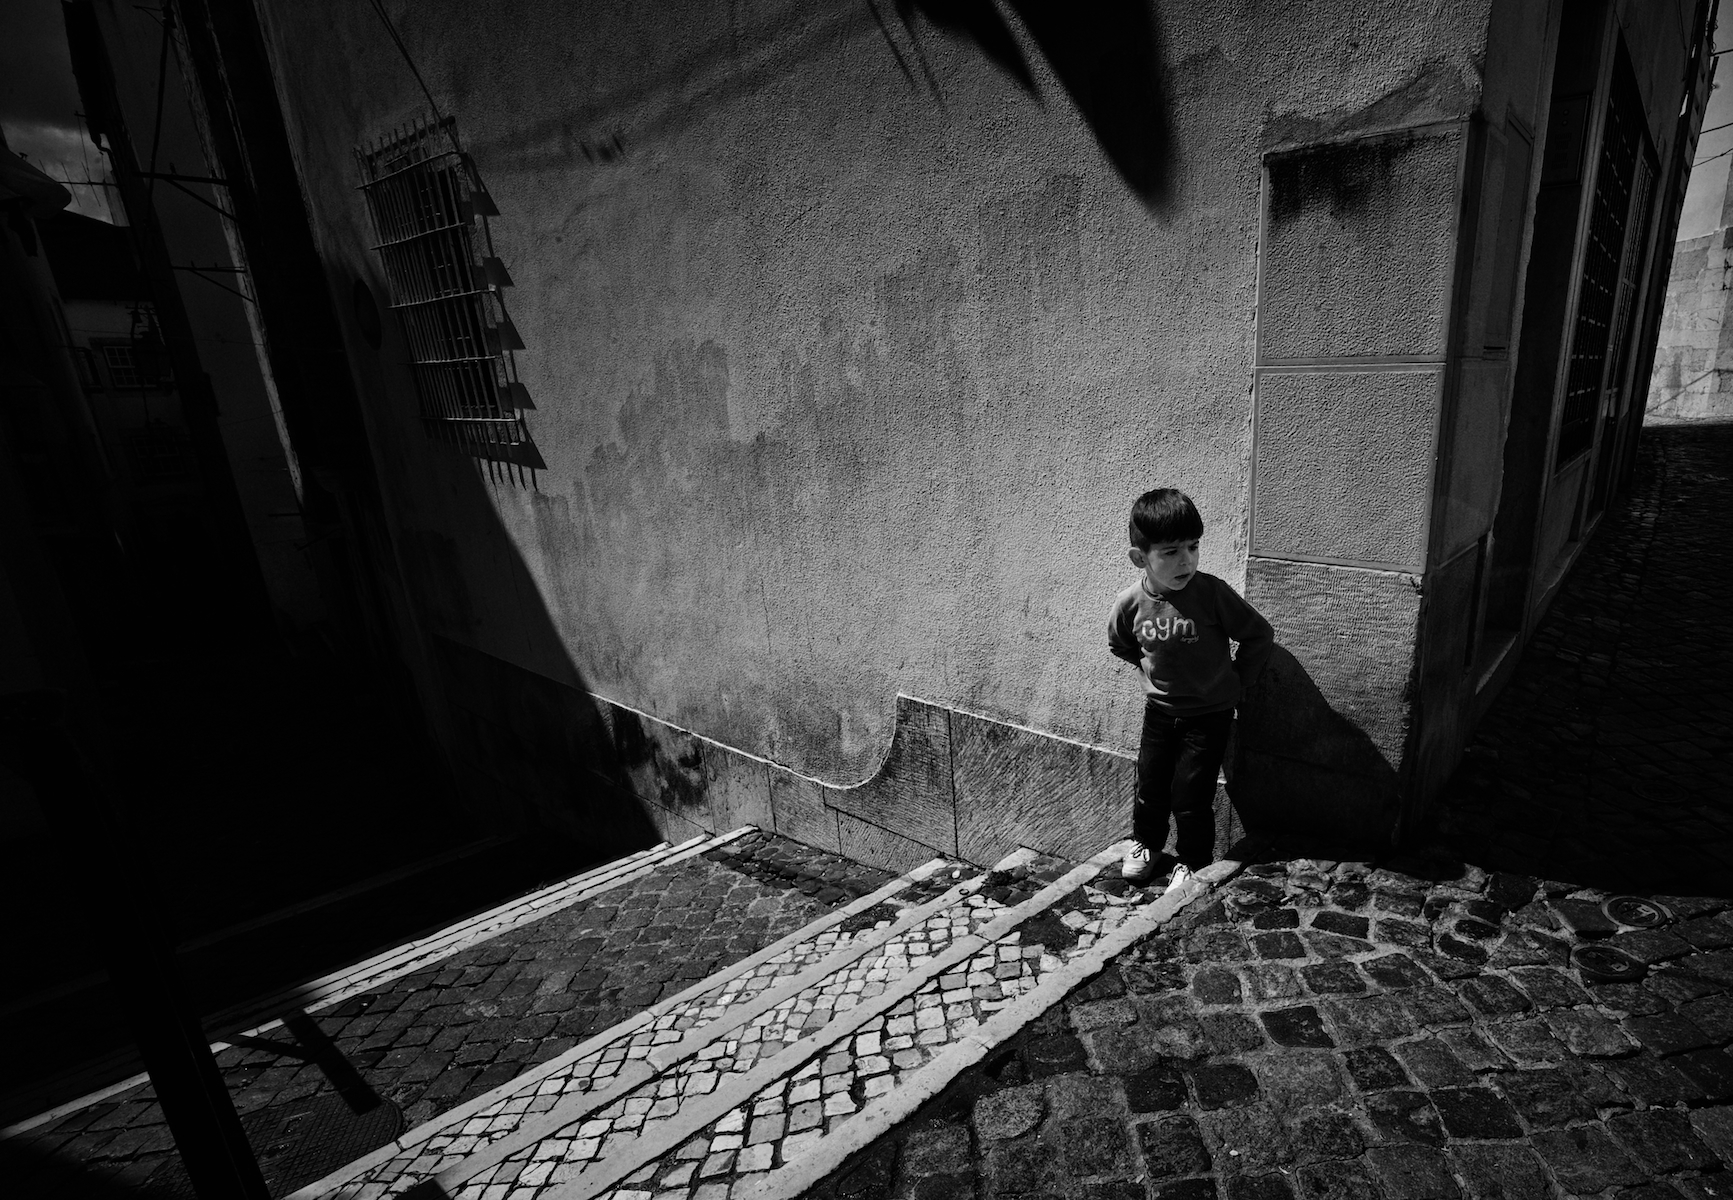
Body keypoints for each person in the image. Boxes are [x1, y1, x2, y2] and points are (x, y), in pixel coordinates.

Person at [1107, 488, 1273, 885]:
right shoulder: (1130, 603)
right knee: (1150, 785)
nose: (1186, 560)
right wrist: (1147, 674)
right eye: (1170, 551)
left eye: (1193, 547)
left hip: (1209, 716)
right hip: (1160, 714)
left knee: (1191, 794)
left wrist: (1239, 679)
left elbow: (1258, 634)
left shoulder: (1212, 593)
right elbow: (1120, 643)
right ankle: (1147, 843)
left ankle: (1193, 860)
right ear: (1140, 558)